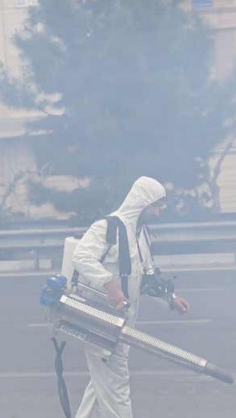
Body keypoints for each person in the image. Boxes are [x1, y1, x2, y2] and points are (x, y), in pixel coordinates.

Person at [71, 176, 190, 418]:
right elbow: (81, 257)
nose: (158, 212)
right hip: (101, 318)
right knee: (116, 383)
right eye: (155, 206)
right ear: (142, 202)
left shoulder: (140, 234)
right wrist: (109, 284)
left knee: (102, 380)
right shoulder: (108, 228)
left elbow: (147, 276)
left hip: (123, 320)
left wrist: (171, 298)